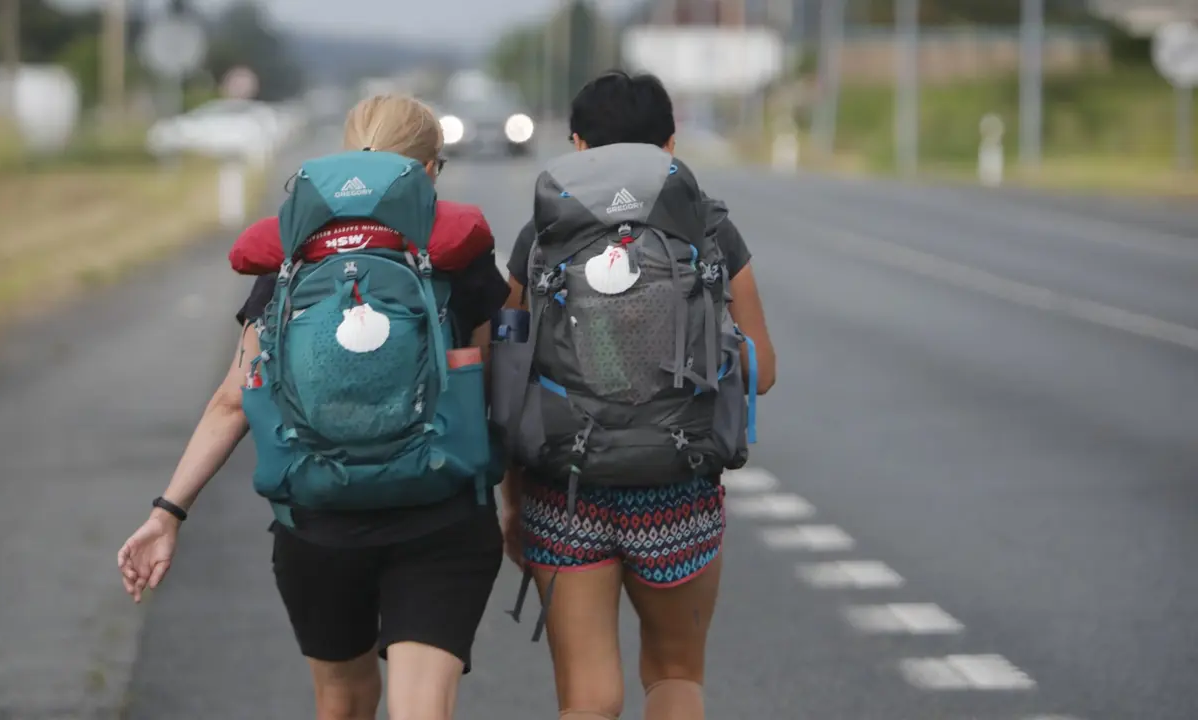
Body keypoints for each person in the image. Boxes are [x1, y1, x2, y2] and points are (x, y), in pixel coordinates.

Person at [117, 94, 510, 720]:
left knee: (342, 702)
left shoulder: (294, 252)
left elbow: (232, 400)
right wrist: (516, 504)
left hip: (318, 520)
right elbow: (487, 385)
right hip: (441, 515)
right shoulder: (457, 246)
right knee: (421, 709)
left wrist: (168, 512)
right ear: (429, 169)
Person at [498, 71, 777, 720]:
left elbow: (508, 377)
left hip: (565, 489)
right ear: (670, 145)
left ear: (576, 143)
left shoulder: (542, 234)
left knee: (588, 698)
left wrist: (512, 502)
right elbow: (760, 370)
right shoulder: (708, 225)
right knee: (676, 674)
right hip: (678, 486)